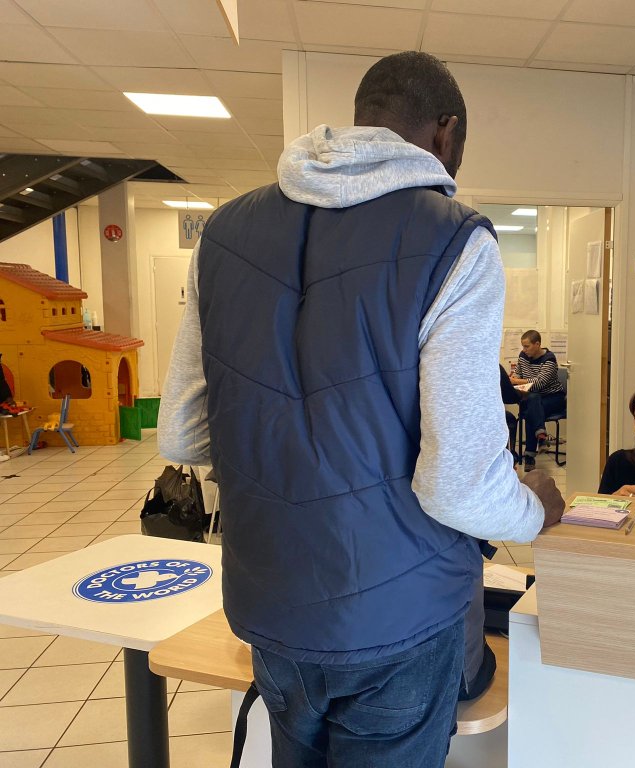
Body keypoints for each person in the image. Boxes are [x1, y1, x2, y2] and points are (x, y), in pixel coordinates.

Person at [158, 51, 564, 768]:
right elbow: (459, 484)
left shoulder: (221, 234)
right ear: (446, 132)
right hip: (398, 625)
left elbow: (184, 431)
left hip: (271, 606)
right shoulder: (454, 239)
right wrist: (538, 510)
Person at [510, 330, 566, 470]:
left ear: (537, 344)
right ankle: (540, 433)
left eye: (527, 346)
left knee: (531, 408)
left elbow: (539, 384)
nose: (524, 350)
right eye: (523, 346)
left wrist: (517, 381)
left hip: (553, 398)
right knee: (533, 401)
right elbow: (518, 375)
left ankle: (530, 456)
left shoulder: (549, 359)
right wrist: (519, 381)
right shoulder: (523, 356)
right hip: (533, 398)